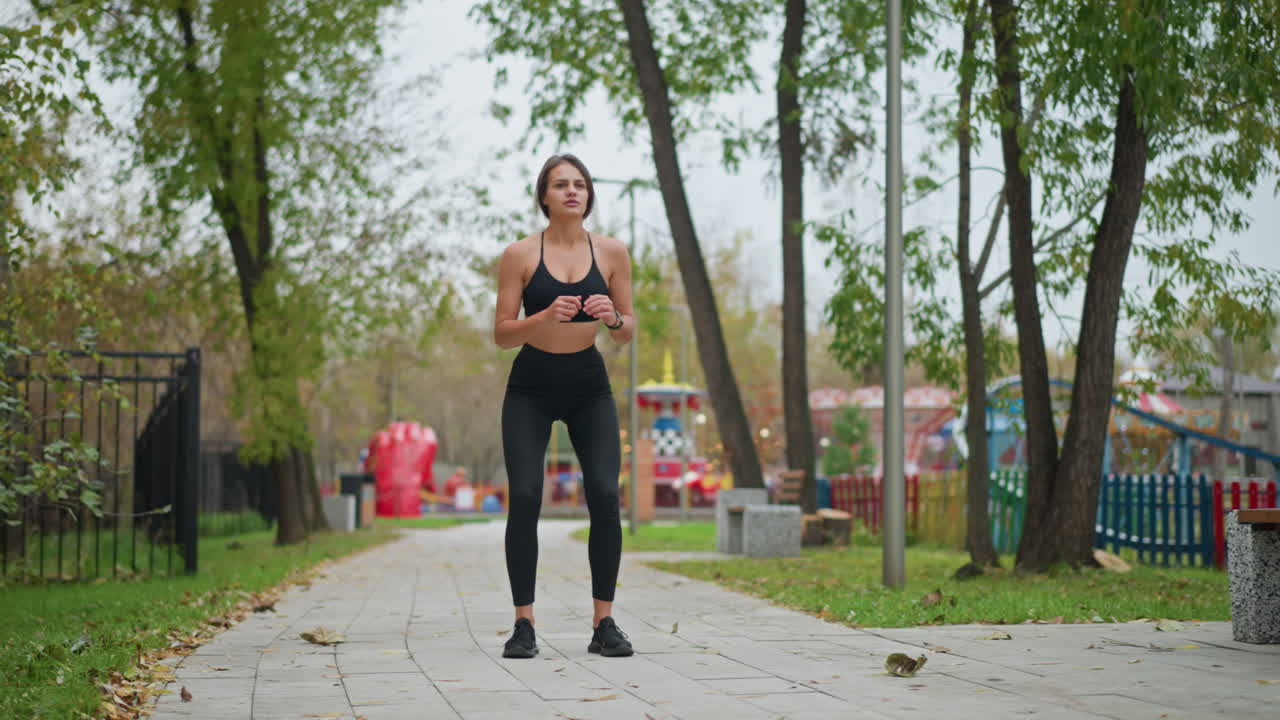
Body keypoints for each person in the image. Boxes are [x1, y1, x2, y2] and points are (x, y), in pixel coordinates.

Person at [492, 154, 636, 659]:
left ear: (589, 195)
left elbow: (628, 331)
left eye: (580, 184)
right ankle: (524, 625)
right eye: (561, 185)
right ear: (545, 196)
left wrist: (613, 318)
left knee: (603, 493)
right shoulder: (520, 255)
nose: (572, 191)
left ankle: (604, 624)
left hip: (587, 385)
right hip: (531, 385)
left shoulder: (614, 253)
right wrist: (544, 316)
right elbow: (502, 334)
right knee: (527, 495)